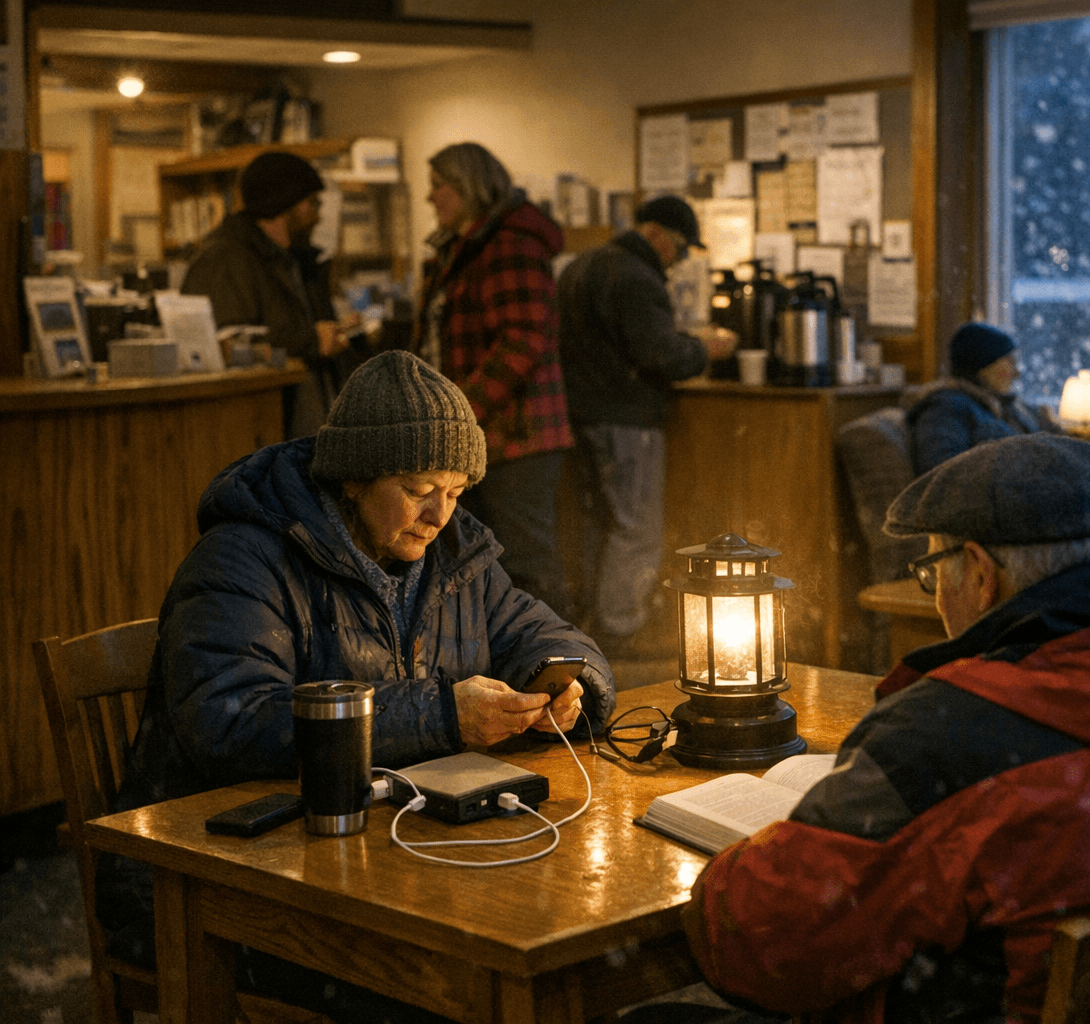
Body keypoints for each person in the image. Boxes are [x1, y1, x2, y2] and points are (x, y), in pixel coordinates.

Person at [679, 434, 1090, 1023]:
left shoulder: (952, 734)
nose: (935, 596)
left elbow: (764, 947)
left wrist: (745, 864)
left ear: (978, 571)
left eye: (930, 571)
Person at [98, 350, 616, 1024]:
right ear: (352, 476)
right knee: (454, 992)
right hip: (217, 883)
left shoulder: (453, 559)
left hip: (382, 862)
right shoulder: (245, 558)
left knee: (564, 950)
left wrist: (566, 689)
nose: (439, 515)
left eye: (457, 491)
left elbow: (548, 635)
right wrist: (441, 715)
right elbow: (230, 721)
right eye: (418, 485)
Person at [558, 194, 737, 657]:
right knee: (636, 529)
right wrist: (705, 350)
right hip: (627, 419)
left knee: (601, 525)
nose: (678, 260)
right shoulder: (635, 277)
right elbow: (660, 354)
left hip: (580, 417)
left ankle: (590, 631)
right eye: (679, 247)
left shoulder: (582, 266)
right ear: (656, 233)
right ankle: (620, 635)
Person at [415, 142, 574, 620]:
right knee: (479, 558)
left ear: (468, 188)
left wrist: (459, 409)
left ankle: (565, 670)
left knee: (526, 561)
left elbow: (523, 341)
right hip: (484, 431)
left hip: (517, 436)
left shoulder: (511, 244)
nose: (431, 198)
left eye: (438, 187)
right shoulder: (462, 247)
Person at [181, 150, 352, 439]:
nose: (317, 214)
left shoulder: (295, 261)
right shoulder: (224, 259)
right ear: (286, 204)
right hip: (258, 432)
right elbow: (226, 347)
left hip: (300, 423)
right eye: (311, 203)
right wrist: (312, 340)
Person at [905, 322, 1049, 474]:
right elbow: (940, 475)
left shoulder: (1001, 404)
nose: (1017, 373)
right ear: (985, 367)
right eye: (1009, 362)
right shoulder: (946, 408)